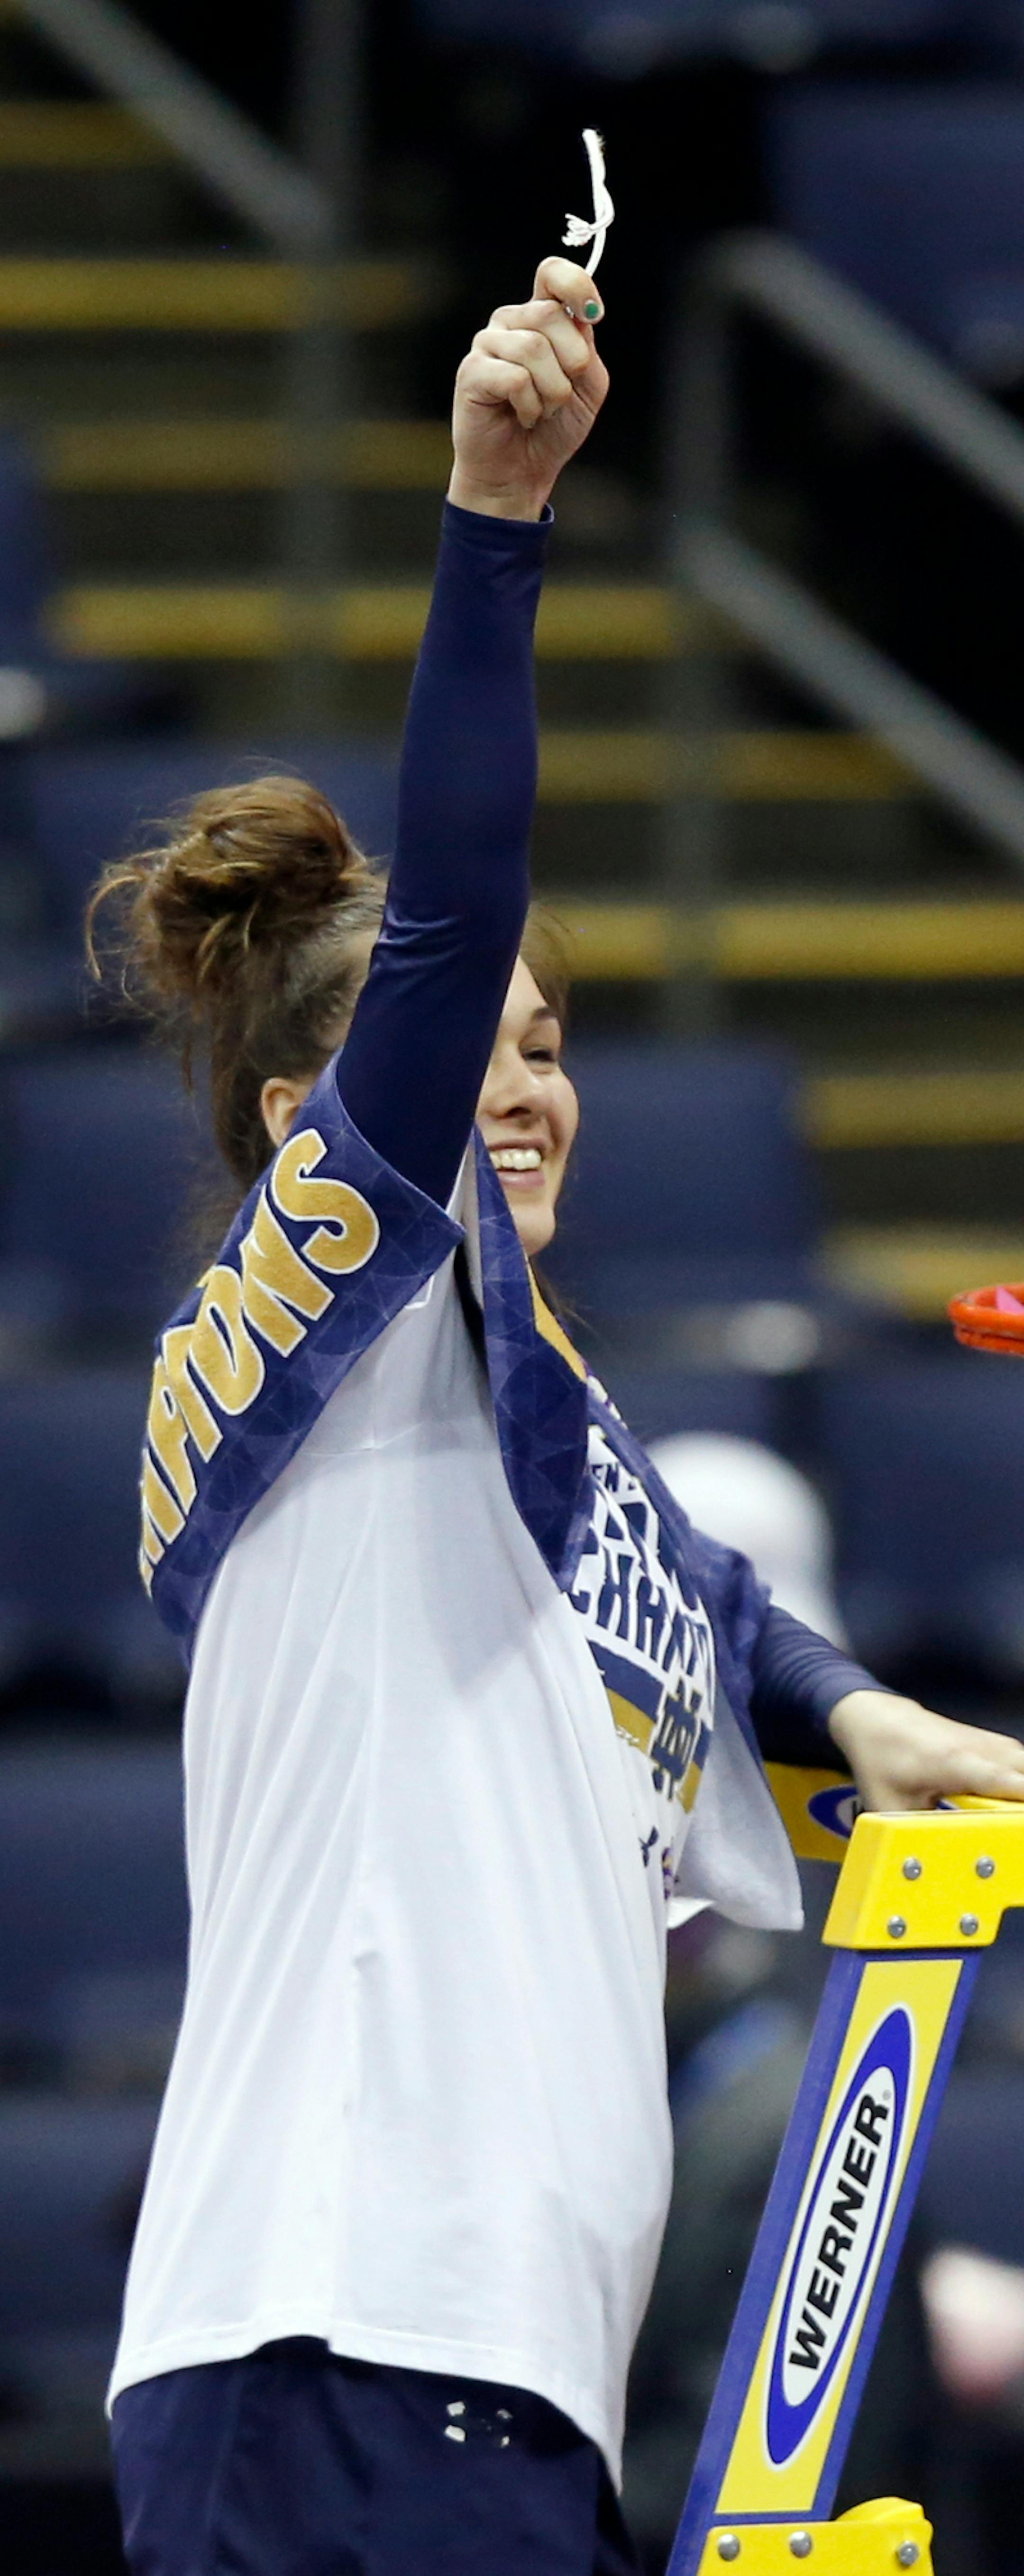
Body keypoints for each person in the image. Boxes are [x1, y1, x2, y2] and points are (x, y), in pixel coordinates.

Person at [89, 255, 1024, 2576]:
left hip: (506, 2378)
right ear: (320, 1122)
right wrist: (495, 527)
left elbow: (687, 1605)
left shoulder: (539, 1466)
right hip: (322, 2343)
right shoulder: (326, 1335)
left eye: (553, 1048)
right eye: (486, 1045)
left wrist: (853, 1705)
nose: (532, 1089)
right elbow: (445, 925)